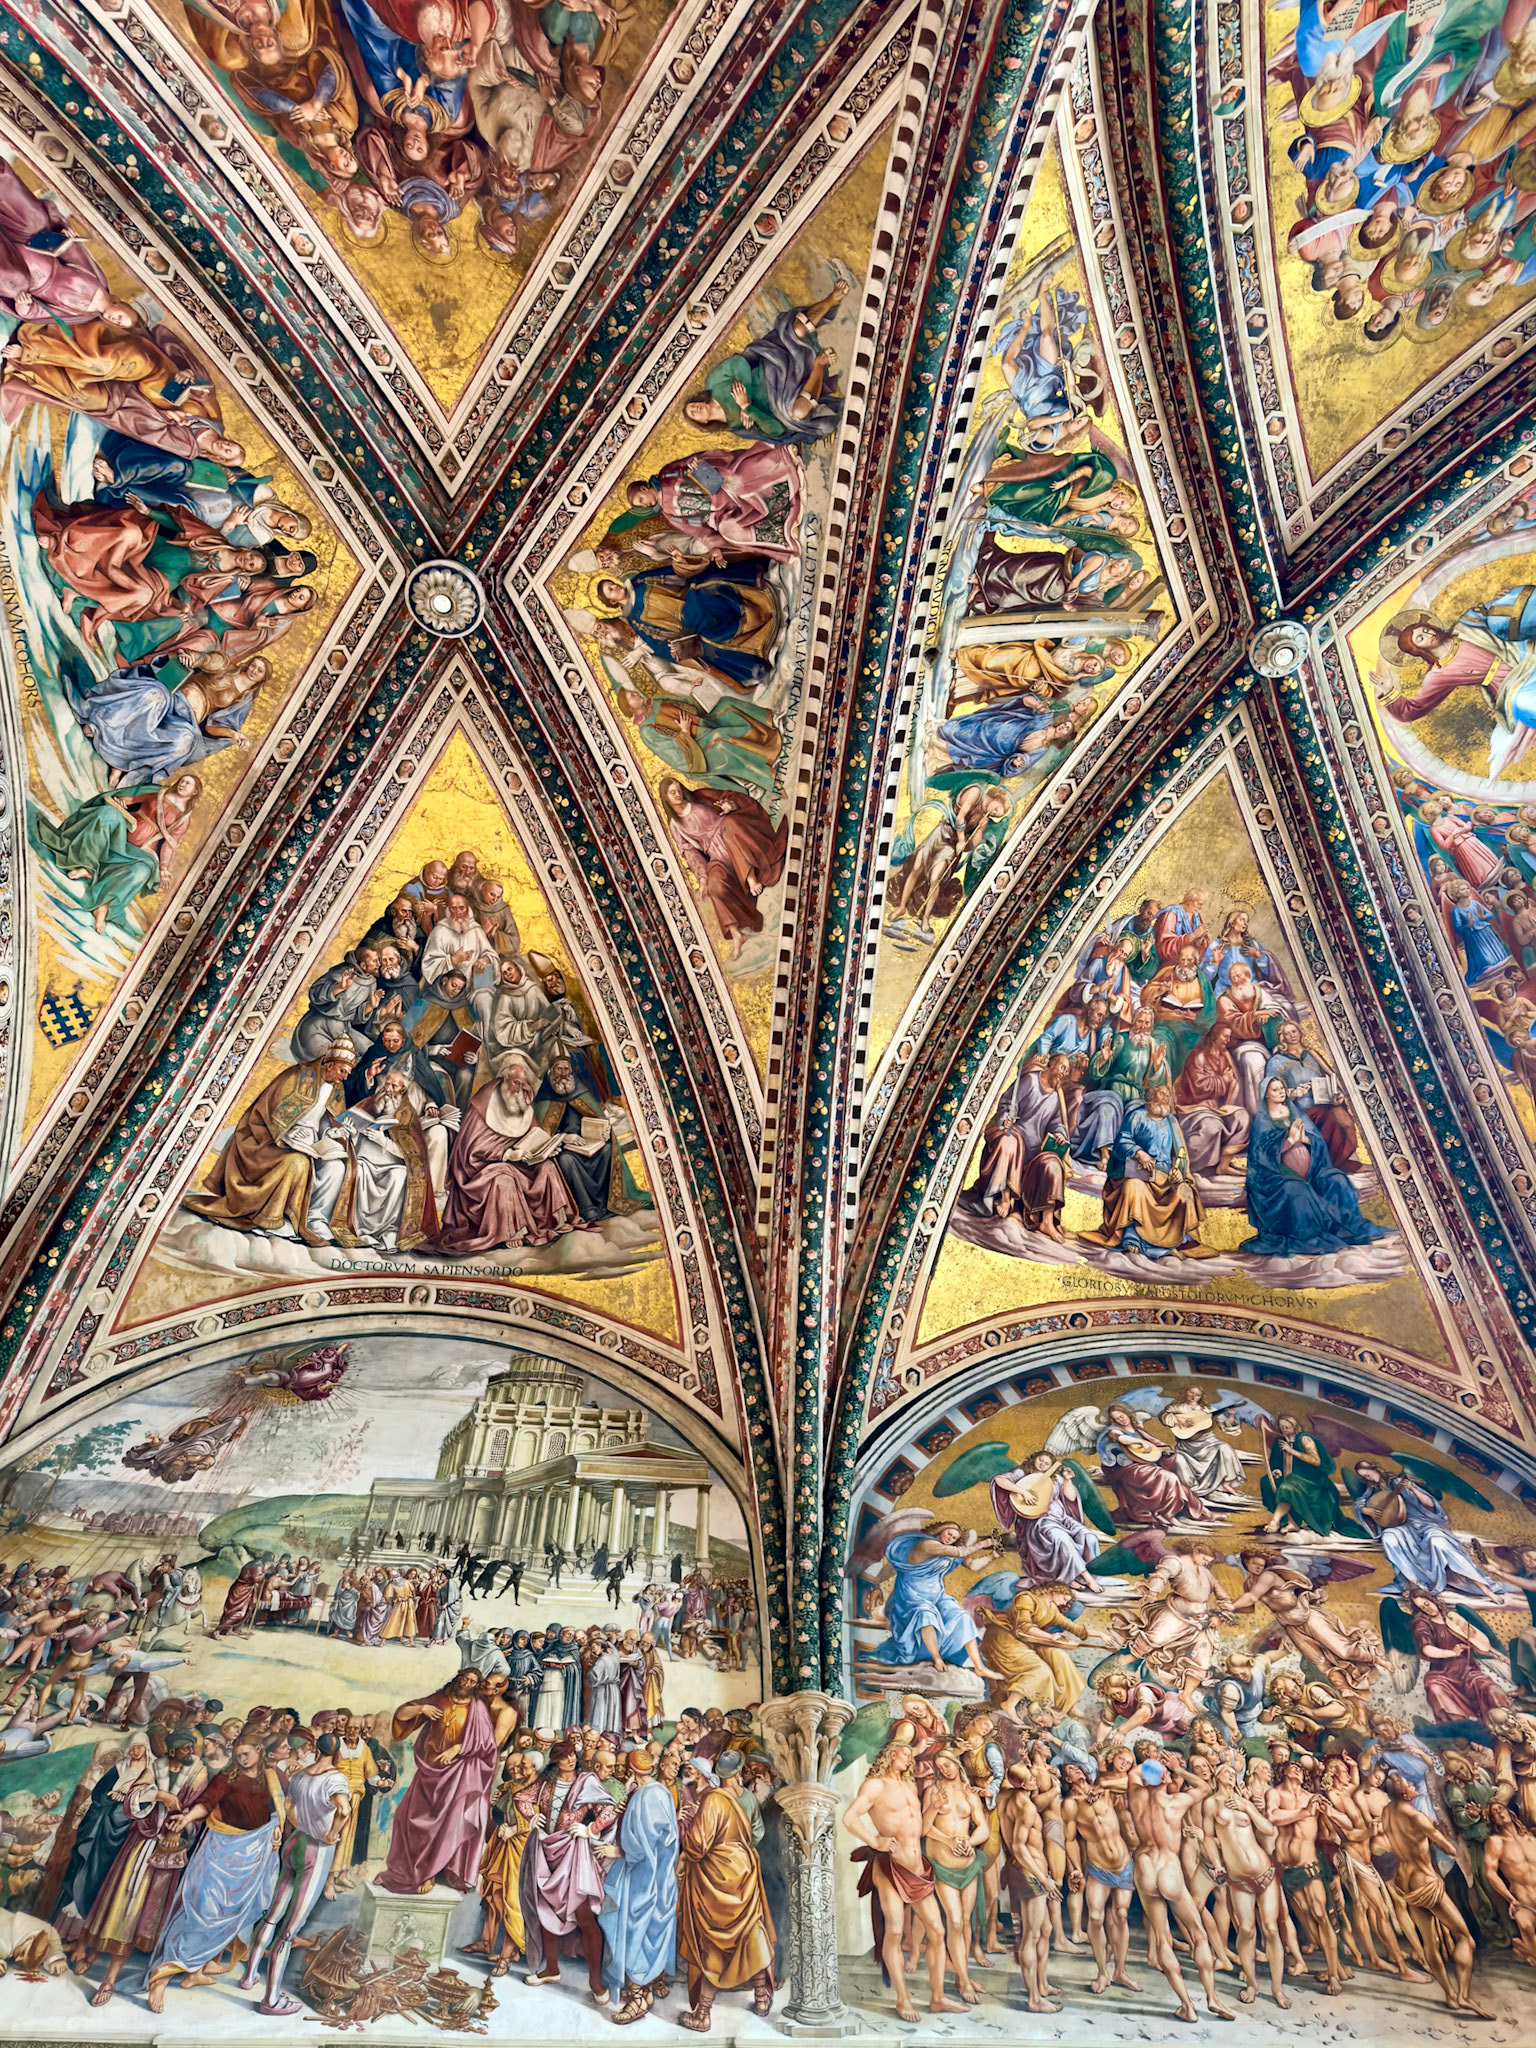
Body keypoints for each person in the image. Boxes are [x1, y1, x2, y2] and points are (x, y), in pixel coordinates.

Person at [145, 1737, 282, 2012]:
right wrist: (186, 1818)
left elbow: (276, 1809)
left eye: (246, 1753)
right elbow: (207, 1803)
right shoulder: (226, 1777)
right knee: (198, 1913)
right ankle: (161, 1978)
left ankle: (194, 1972)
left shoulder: (269, 1776)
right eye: (238, 1754)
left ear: (259, 1750)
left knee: (226, 1914)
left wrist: (277, 1826)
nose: (242, 1758)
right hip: (220, 1851)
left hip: (252, 1853)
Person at [183, 1040, 357, 1243]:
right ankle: (274, 1218)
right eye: (342, 1071)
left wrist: (332, 1133)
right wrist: (288, 1135)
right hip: (268, 1141)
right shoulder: (297, 1076)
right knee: (297, 1163)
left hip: (310, 1144)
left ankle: (313, 1219)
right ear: (330, 1064)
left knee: (336, 1168)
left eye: (347, 1073)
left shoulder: (337, 1090)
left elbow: (326, 1122)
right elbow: (266, 1115)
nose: (344, 1077)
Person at [240, 1732, 350, 2017]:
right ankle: (271, 2000)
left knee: (273, 1915)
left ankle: (249, 1976)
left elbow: (288, 1806)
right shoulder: (335, 1779)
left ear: (317, 1749)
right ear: (336, 1751)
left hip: (294, 1843)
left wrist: (303, 1825)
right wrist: (330, 1833)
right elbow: (344, 1809)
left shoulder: (301, 1775)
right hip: (316, 1850)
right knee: (289, 1930)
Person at [841, 1744, 953, 2022]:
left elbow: (920, 1830)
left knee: (937, 1931)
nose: (910, 1759)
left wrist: (933, 1809)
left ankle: (937, 1998)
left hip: (917, 1868)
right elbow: (849, 1817)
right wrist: (874, 1841)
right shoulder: (875, 1786)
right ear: (892, 1755)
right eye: (907, 1754)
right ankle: (903, 1999)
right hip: (890, 1866)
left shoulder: (909, 1786)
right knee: (894, 1931)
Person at [436, 1051, 579, 1253]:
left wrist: (546, 1147)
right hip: (479, 1171)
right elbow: (471, 1150)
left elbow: (535, 1133)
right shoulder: (483, 1104)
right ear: (504, 1079)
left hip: (519, 1163)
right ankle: (511, 1231)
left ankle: (555, 1220)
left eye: (523, 1084)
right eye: (516, 1083)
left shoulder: (522, 1100)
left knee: (547, 1167)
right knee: (504, 1178)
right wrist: (507, 1155)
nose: (520, 1088)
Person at [676, 1755, 776, 2030]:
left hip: (716, 1876)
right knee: (750, 1933)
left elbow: (697, 1846)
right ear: (739, 1772)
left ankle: (703, 2014)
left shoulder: (713, 1800)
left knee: (713, 1942)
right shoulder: (745, 1800)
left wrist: (685, 1843)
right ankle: (761, 1999)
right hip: (743, 1871)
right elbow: (754, 1835)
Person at [378, 1670, 497, 1894]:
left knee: (442, 1826)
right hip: (429, 1770)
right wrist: (421, 1709)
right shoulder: (440, 1699)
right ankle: (409, 1871)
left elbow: (487, 1745)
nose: (467, 1683)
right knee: (406, 1816)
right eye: (465, 1679)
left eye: (473, 1682)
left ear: (476, 1686)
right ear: (458, 1679)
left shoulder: (478, 1709)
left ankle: (429, 1874)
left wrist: (458, 1748)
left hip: (457, 1774)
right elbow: (402, 1715)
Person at [1243, 1077, 1391, 1257]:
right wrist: (1290, 1141)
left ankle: (1349, 1229)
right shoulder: (1262, 1120)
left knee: (1337, 1179)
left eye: (1282, 1088)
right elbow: (1261, 1156)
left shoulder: (1294, 1111)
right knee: (1298, 1190)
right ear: (1266, 1094)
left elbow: (1316, 1140)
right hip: (1276, 1178)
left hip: (1313, 1172)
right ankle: (1309, 1237)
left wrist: (1305, 1140)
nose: (1281, 1092)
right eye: (1275, 1089)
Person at [657, 776, 787, 958]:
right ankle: (736, 933)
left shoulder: (699, 798)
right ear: (666, 797)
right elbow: (691, 854)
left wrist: (730, 806)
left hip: (735, 836)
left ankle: (751, 877)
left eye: (678, 790)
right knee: (714, 886)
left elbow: (729, 798)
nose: (678, 794)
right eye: (672, 792)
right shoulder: (676, 826)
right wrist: (703, 879)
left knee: (728, 824)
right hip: (716, 854)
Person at [1079, 1084, 1210, 1259]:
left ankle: (1182, 1241)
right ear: (1150, 1096)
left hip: (1165, 1178)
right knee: (1133, 1187)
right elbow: (1121, 1142)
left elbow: (1180, 1153)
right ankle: (1132, 1237)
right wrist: (1139, 1153)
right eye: (1162, 1094)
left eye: (1168, 1096)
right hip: (1140, 1174)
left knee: (1184, 1192)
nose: (1166, 1099)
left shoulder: (1171, 1121)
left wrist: (1179, 1170)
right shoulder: (1137, 1116)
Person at [597, 1747, 678, 2022]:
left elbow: (644, 1844)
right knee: (642, 1935)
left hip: (643, 1879)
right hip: (657, 1878)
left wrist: (618, 1851)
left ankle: (638, 1999)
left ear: (632, 1771)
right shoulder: (658, 1792)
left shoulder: (646, 1796)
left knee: (632, 1934)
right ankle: (644, 1992)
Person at [875, 1521, 1003, 1680]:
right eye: (949, 1534)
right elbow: (960, 1552)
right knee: (925, 1615)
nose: (950, 1539)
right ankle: (937, 1658)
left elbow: (972, 1565)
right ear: (940, 1530)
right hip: (913, 1595)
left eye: (954, 1538)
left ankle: (979, 1667)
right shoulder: (927, 1544)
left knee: (962, 1617)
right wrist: (987, 1542)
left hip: (937, 1596)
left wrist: (993, 1556)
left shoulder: (950, 1551)